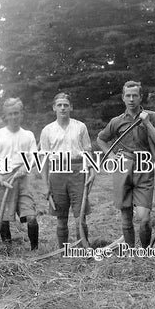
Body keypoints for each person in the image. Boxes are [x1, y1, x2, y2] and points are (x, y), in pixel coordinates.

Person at [97, 81, 155, 248]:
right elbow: (101, 139)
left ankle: (144, 253)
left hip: (144, 167)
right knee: (126, 215)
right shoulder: (117, 121)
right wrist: (112, 156)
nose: (131, 99)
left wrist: (147, 123)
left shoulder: (153, 117)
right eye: (128, 95)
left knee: (144, 217)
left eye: (135, 95)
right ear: (123, 98)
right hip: (123, 167)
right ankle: (131, 254)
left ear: (141, 97)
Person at [40, 93, 95, 248]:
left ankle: (82, 248)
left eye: (66, 105)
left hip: (78, 171)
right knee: (61, 216)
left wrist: (92, 170)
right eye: (59, 105)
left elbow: (87, 150)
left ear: (71, 107)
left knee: (81, 214)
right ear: (54, 108)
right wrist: (45, 185)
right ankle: (63, 250)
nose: (63, 108)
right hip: (57, 172)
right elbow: (43, 159)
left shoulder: (80, 126)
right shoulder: (47, 130)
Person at [0, 98, 39, 251]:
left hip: (22, 180)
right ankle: (8, 249)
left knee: (31, 217)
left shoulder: (28, 135)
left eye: (17, 113)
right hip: (4, 179)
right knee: (4, 218)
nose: (14, 117)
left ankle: (35, 250)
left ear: (21, 114)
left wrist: (25, 166)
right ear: (6, 116)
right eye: (10, 114)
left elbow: (34, 158)